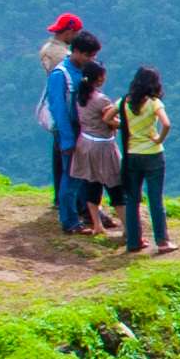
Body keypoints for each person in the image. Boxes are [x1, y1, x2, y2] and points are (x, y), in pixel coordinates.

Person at [37, 15, 87, 228]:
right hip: (67, 112)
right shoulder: (61, 55)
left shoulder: (47, 48)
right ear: (69, 32)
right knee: (70, 163)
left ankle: (60, 198)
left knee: (59, 157)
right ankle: (75, 209)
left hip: (57, 114)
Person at [115, 66, 172, 254]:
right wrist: (158, 139)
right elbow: (166, 123)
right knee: (155, 199)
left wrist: (124, 127)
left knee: (132, 199)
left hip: (131, 155)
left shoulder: (124, 101)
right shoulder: (154, 103)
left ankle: (133, 242)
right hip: (153, 155)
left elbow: (107, 117)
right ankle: (162, 242)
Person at [68, 55, 123, 235]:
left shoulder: (80, 97)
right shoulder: (102, 100)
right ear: (99, 78)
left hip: (85, 144)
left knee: (92, 184)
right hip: (103, 147)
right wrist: (126, 123)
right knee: (115, 187)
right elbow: (111, 121)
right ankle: (129, 229)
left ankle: (97, 225)